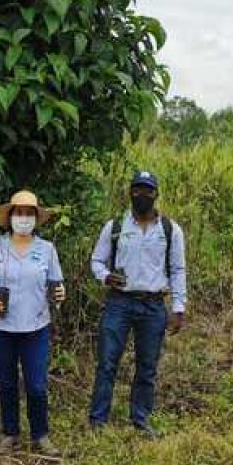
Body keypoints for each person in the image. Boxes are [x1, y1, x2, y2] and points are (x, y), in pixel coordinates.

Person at [88, 171, 187, 437]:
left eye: (148, 191)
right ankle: (98, 421)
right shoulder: (116, 227)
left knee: (147, 366)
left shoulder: (170, 230)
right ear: (130, 193)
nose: (142, 195)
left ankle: (140, 419)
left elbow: (178, 270)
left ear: (156, 194)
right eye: (137, 190)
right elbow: (97, 261)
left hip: (153, 306)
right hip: (119, 302)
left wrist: (178, 308)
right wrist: (105, 276)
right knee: (107, 362)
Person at [0, 190, 66, 456]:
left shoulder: (47, 250)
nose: (24, 218)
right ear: (10, 216)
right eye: (19, 213)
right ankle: (10, 433)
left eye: (29, 213)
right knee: (7, 382)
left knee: (36, 384)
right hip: (1, 328)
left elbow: (56, 286)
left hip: (36, 327)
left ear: (36, 218)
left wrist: (60, 294)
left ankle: (40, 434)